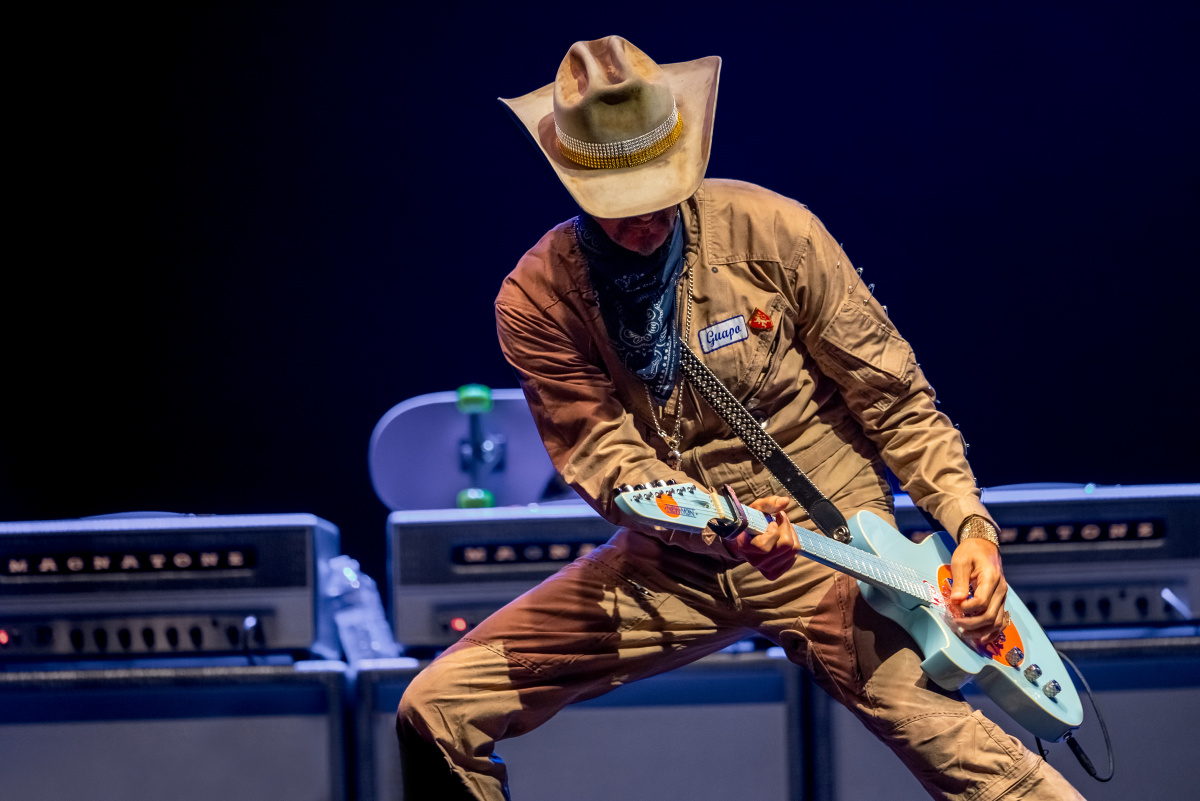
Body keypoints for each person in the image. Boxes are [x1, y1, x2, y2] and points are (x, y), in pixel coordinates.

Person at [398, 35, 1084, 801]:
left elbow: (894, 399)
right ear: (575, 181)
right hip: (675, 554)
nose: (644, 218)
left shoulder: (775, 232)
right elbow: (605, 457)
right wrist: (715, 525)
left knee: (968, 757)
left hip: (835, 546)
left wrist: (970, 526)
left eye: (658, 189)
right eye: (620, 202)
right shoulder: (536, 298)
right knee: (434, 709)